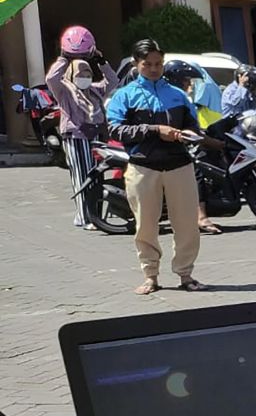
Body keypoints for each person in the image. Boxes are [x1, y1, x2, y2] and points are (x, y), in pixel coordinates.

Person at [107, 38, 206, 294]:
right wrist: (154, 130)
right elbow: (115, 129)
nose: (153, 68)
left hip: (179, 166)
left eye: (158, 63)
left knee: (186, 224)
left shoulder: (178, 95)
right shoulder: (124, 96)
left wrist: (188, 134)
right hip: (143, 168)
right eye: (147, 64)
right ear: (135, 64)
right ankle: (150, 276)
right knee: (145, 225)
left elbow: (194, 127)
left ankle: (186, 275)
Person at [44, 26, 117, 231]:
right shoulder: (65, 90)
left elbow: (113, 80)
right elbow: (51, 78)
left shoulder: (95, 91)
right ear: (72, 74)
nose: (84, 75)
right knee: (81, 176)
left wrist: (101, 61)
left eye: (87, 71)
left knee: (97, 176)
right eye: (80, 72)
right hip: (75, 137)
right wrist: (64, 58)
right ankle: (85, 217)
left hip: (95, 137)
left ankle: (96, 216)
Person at [163, 59, 224, 235]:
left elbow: (191, 126)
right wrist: (211, 142)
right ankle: (200, 216)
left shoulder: (180, 97)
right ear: (176, 79)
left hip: (177, 143)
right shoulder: (171, 98)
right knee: (195, 171)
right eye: (186, 80)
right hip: (166, 147)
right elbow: (185, 130)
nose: (189, 84)